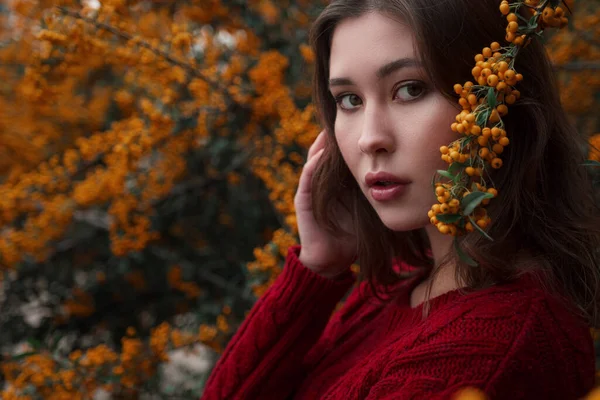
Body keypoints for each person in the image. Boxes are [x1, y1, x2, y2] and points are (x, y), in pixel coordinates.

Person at [202, 0, 600, 398]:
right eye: (349, 100)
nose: (369, 138)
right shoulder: (405, 280)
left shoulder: (490, 351)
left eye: (410, 89)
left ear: (502, 102)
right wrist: (317, 269)